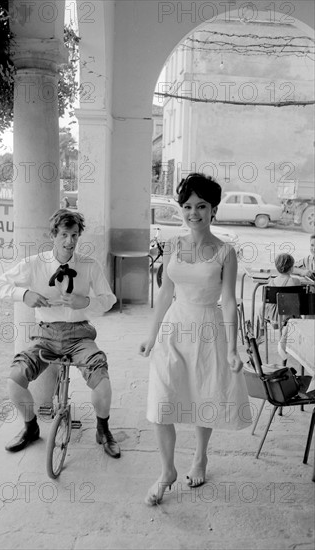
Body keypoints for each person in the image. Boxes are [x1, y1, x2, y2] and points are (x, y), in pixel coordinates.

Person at [139, 173, 251, 506]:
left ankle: (200, 457)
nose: (193, 213)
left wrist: (233, 347)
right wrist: (151, 335)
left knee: (204, 397)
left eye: (201, 206)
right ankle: (167, 471)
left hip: (207, 329)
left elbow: (229, 301)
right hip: (174, 328)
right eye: (187, 206)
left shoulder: (225, 252)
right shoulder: (173, 245)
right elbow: (165, 293)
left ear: (213, 209)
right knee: (161, 404)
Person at [0, 209, 121, 459]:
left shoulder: (89, 265)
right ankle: (30, 428)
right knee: (14, 380)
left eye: (74, 235)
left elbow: (109, 299)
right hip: (46, 335)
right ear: (54, 235)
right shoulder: (33, 264)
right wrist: (24, 295)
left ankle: (103, 429)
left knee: (102, 381)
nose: (69, 241)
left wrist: (86, 302)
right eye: (64, 234)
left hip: (80, 335)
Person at [256, 253, 298, 338]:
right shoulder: (295, 281)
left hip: (271, 315)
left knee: (262, 309)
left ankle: (262, 328)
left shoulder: (272, 281)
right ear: (291, 268)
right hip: (288, 315)